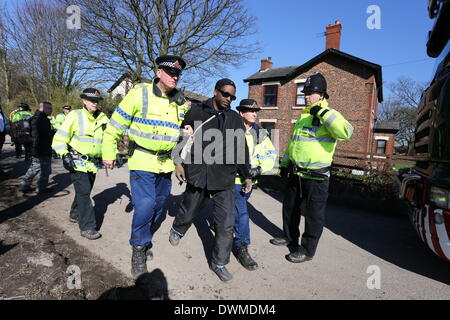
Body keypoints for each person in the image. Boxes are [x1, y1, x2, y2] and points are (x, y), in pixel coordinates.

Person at [102, 55, 190, 278]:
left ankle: (145, 236)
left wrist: (179, 161)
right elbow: (115, 126)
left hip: (165, 163)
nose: (175, 77)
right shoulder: (138, 94)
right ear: (158, 72)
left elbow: (179, 136)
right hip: (142, 159)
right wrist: (108, 152)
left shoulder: (181, 102)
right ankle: (138, 247)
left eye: (178, 74)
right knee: (145, 204)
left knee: (160, 204)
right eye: (170, 73)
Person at [170, 78, 252, 282]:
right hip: (199, 173)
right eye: (225, 94)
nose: (229, 99)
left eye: (232, 96)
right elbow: (183, 138)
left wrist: (247, 174)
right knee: (189, 209)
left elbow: (241, 148)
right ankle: (178, 229)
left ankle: (219, 262)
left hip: (224, 178)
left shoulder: (233, 118)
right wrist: (178, 163)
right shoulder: (197, 111)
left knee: (226, 223)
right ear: (215, 92)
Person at [270, 72, 353, 263]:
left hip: (316, 176)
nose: (306, 95)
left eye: (311, 92)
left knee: (313, 215)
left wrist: (322, 113)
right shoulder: (303, 116)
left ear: (322, 95)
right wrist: (284, 164)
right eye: (305, 91)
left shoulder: (330, 114)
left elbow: (347, 132)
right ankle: (289, 237)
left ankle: (307, 250)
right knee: (290, 208)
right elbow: (294, 143)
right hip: (296, 172)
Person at [52, 88, 108, 240]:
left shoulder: (103, 118)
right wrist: (64, 155)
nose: (94, 103)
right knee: (84, 194)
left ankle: (74, 213)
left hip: (93, 164)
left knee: (84, 192)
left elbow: (108, 140)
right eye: (91, 100)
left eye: (96, 101)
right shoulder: (74, 116)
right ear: (83, 100)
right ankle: (88, 227)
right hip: (77, 162)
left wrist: (111, 154)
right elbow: (59, 138)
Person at [232, 99, 277, 271]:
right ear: (241, 113)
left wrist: (258, 169)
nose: (255, 114)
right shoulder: (231, 130)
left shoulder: (260, 133)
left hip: (250, 181)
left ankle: (221, 222)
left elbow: (270, 155)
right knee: (242, 214)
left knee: (234, 210)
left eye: (256, 111)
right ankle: (242, 246)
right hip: (234, 181)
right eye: (250, 111)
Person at [19, 102, 54, 193]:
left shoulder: (37, 118)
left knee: (34, 167)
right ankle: (41, 188)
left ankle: (24, 185)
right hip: (41, 149)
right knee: (44, 169)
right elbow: (38, 136)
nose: (51, 110)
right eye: (49, 108)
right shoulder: (39, 119)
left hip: (38, 148)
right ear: (43, 108)